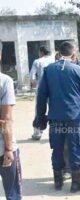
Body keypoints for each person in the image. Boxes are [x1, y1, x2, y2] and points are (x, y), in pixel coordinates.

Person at [35, 41, 80, 193]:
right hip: (74, 117)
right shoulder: (79, 70)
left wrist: (40, 117)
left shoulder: (49, 70)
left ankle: (58, 182)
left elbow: (41, 96)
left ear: (59, 54)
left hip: (55, 118)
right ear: (74, 54)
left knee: (57, 148)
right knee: (75, 147)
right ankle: (75, 183)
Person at [0, 40, 22, 200]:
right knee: (13, 193)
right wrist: (8, 149)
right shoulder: (4, 81)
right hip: (3, 148)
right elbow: (6, 119)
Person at [30, 45, 54, 140]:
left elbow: (32, 76)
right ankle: (55, 131)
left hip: (41, 89)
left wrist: (34, 85)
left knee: (39, 111)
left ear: (41, 52)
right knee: (53, 109)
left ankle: (37, 133)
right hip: (53, 89)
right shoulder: (54, 61)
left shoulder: (37, 61)